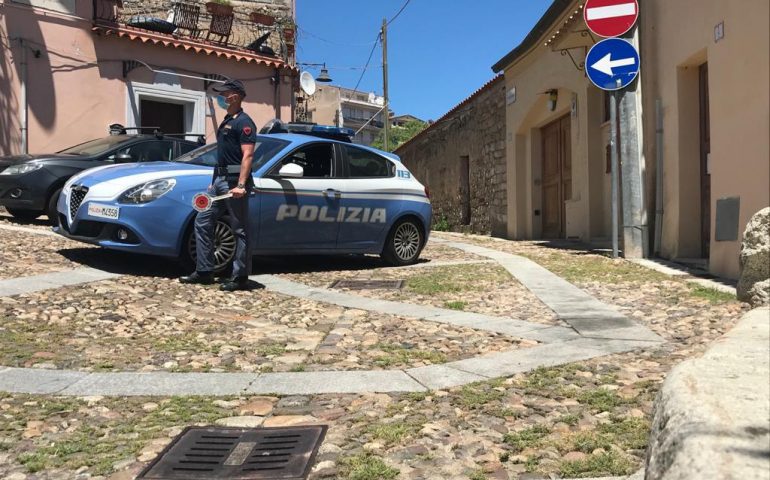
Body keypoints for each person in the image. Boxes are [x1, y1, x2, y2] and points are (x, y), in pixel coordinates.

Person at [180, 79, 257, 291]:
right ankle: (204, 271)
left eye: (225, 94)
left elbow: (247, 155)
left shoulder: (245, 123)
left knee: (239, 229)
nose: (221, 98)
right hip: (219, 181)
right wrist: (213, 183)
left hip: (234, 183)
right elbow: (222, 156)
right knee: (202, 220)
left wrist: (241, 185)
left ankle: (240, 277)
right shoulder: (226, 121)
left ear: (236, 96)